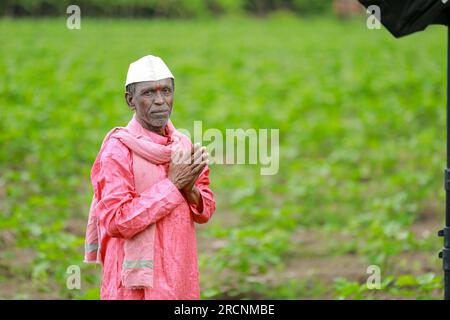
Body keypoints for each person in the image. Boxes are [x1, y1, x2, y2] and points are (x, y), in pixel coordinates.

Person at [84, 55, 216, 300]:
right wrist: (173, 185)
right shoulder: (118, 149)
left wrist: (190, 190)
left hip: (178, 274)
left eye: (166, 91)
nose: (159, 101)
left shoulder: (183, 146)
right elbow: (116, 220)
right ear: (130, 100)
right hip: (131, 283)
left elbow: (205, 209)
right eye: (148, 93)